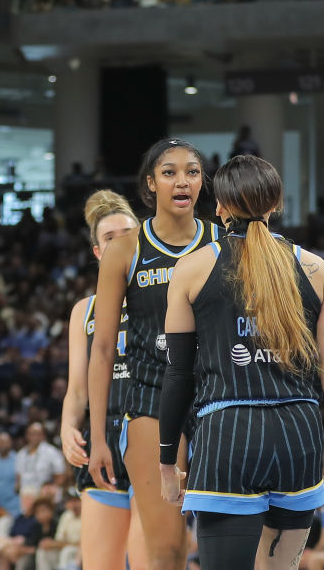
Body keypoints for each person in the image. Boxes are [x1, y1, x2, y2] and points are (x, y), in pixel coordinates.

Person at [158, 155, 324, 568]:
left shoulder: (192, 268)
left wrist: (166, 462)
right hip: (299, 439)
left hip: (228, 437)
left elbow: (177, 373)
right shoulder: (317, 269)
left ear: (220, 207)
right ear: (275, 205)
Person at [88, 138, 222, 570]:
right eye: (170, 172)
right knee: (166, 552)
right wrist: (96, 437)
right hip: (150, 396)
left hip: (219, 395)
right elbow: (104, 347)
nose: (182, 180)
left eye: (192, 171)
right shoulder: (125, 250)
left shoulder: (226, 241)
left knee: (226, 546)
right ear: (151, 183)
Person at [60, 190, 146, 570]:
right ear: (97, 251)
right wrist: (65, 427)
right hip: (103, 438)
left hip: (151, 429)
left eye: (129, 232)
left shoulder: (165, 292)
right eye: (110, 237)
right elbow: (77, 388)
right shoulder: (85, 310)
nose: (122, 241)